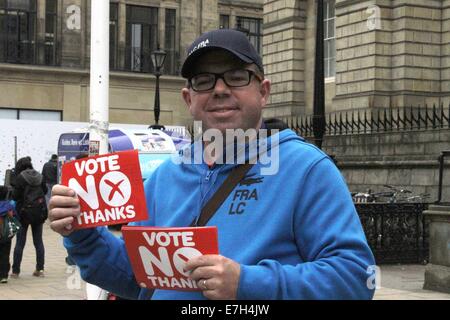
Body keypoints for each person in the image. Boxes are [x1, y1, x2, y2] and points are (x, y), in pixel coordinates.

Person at [48, 28, 375, 300]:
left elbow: (356, 278)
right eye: (204, 80)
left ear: (263, 92)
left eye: (236, 77)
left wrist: (246, 283)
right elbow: (138, 279)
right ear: (189, 99)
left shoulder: (306, 170)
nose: (219, 89)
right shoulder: (164, 177)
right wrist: (83, 234)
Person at [11, 157, 48, 278]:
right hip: (39, 213)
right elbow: (45, 190)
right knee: (38, 241)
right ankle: (40, 269)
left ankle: (16, 271)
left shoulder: (20, 178)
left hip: (23, 214)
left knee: (20, 242)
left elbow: (15, 196)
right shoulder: (39, 176)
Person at [0, 186, 17, 283]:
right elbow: (15, 217)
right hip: (7, 233)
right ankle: (4, 275)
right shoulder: (9, 205)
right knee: (5, 253)